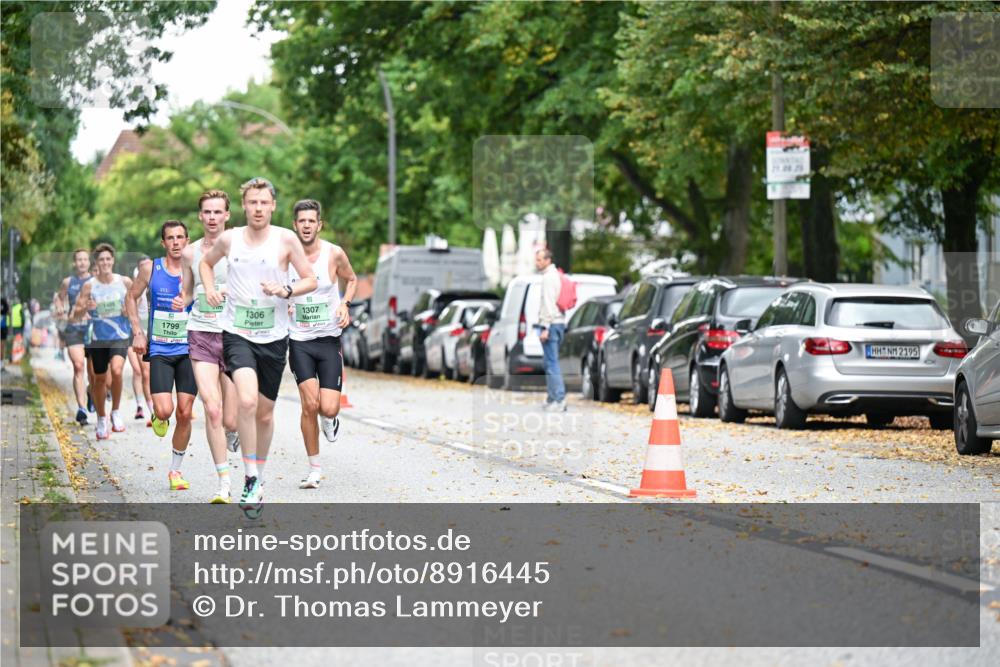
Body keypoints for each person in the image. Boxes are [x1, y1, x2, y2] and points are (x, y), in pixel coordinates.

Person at [199, 177, 316, 516]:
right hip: (236, 332)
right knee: (246, 400)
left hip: (275, 337)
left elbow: (311, 279)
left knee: (264, 413)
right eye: (252, 202)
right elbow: (206, 263)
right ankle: (249, 477)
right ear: (245, 205)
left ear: (273, 205)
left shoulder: (286, 239)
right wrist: (209, 289)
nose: (258, 208)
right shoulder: (230, 239)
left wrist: (286, 291)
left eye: (264, 202)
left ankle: (258, 474)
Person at [287, 199, 357, 489]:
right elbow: (274, 287)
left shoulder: (334, 253)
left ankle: (331, 420)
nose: (306, 225)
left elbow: (351, 280)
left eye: (311, 221)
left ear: (319, 224)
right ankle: (314, 468)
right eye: (301, 221)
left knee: (328, 408)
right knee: (309, 405)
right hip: (299, 341)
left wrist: (345, 304)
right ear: (295, 225)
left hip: (328, 340)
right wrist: (285, 304)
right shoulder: (285, 256)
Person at [177, 189, 241, 503]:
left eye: (218, 212)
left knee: (230, 419)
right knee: (212, 409)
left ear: (227, 215)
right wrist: (182, 300)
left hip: (233, 335)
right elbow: (189, 292)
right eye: (207, 212)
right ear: (200, 216)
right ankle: (224, 483)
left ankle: (234, 431)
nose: (213, 217)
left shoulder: (239, 247)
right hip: (201, 333)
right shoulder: (189, 253)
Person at [127, 221, 197, 491]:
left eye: (180, 237)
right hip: (160, 350)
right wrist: (137, 331)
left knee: (185, 412)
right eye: (170, 238)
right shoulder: (150, 269)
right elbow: (131, 297)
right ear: (163, 243)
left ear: (187, 240)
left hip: (190, 349)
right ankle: (158, 415)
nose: (176, 242)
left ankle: (175, 471)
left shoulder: (197, 269)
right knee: (166, 410)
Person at [73, 243, 132, 439]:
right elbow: (75, 313)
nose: (105, 262)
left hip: (119, 336)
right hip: (97, 338)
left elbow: (137, 302)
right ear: (96, 263)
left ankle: (115, 411)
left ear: (113, 260)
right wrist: (86, 308)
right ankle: (101, 418)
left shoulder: (124, 282)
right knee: (98, 379)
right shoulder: (89, 286)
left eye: (108, 259)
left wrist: (127, 311)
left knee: (116, 370)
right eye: (101, 260)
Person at [57, 250, 95, 423]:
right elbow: (59, 298)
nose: (81, 263)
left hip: (93, 329)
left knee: (95, 373)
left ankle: (91, 391)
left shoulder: (96, 280)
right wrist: (60, 308)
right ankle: (81, 409)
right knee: (79, 366)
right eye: (78, 260)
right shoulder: (68, 282)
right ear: (74, 263)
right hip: (74, 328)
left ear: (89, 262)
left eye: (85, 259)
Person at [535, 248, 567, 412]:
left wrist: (545, 327)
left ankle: (559, 399)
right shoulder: (557, 275)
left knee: (552, 363)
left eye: (540, 260)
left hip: (551, 324)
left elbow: (548, 304)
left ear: (548, 260)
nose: (537, 262)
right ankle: (551, 397)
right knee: (549, 362)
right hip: (559, 323)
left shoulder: (549, 278)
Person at [129, 256, 154, 424]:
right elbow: (130, 304)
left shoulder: (158, 279)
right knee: (143, 372)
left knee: (150, 373)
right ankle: (150, 410)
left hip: (155, 328)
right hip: (140, 330)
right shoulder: (137, 283)